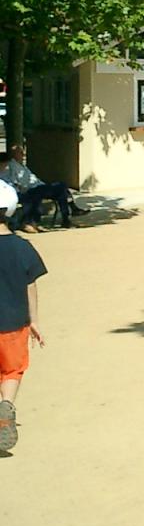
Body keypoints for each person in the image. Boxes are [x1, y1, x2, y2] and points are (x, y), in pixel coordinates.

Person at [0, 181, 47, 453]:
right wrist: (35, 320)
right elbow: (31, 285)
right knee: (11, 370)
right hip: (14, 324)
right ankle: (6, 405)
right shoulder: (22, 247)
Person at [0, 145, 88, 233]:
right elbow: (17, 182)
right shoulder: (11, 166)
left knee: (61, 190)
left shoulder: (22, 166)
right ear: (14, 154)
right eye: (20, 153)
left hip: (38, 186)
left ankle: (66, 219)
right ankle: (70, 211)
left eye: (23, 152)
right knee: (59, 188)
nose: (23, 155)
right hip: (31, 189)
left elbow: (32, 179)